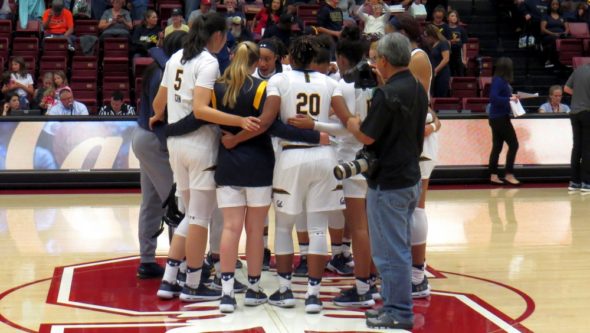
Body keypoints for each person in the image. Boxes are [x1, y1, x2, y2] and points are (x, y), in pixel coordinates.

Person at [222, 35, 352, 314]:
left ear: (289, 59)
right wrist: (317, 127)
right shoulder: (331, 84)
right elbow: (347, 126)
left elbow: (266, 123)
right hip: (324, 158)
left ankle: (284, 290)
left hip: (291, 157)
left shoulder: (279, 82)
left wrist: (235, 139)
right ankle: (314, 295)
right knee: (317, 227)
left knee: (283, 226)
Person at [150, 12, 259, 302]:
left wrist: (159, 118)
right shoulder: (208, 62)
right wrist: (239, 121)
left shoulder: (174, 58)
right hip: (200, 147)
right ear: (219, 36)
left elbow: (158, 103)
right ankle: (194, 283)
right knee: (200, 216)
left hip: (176, 147)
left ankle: (170, 278)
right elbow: (200, 110)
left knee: (190, 213)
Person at [346, 32, 428, 330]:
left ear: (383, 59)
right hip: (409, 178)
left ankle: (398, 312)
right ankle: (394, 307)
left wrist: (353, 123)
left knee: (389, 253)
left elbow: (367, 134)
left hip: (389, 183)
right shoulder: (417, 88)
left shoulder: (387, 94)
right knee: (399, 249)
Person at [387, 13, 441, 299]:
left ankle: (418, 276)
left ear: (402, 32)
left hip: (418, 136)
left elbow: (418, 103)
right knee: (406, 209)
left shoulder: (417, 57)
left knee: (417, 207)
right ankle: (409, 267)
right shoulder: (403, 56)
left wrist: (430, 123)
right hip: (411, 135)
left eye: (387, 32)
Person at [132, 31, 187, 280]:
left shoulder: (156, 68)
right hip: (155, 141)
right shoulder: (162, 74)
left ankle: (147, 261)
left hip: (143, 138)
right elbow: (161, 116)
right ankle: (182, 264)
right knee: (175, 203)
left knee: (152, 202)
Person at [329, 26, 376, 306]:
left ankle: (361, 288)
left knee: (358, 227)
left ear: (342, 60)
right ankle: (373, 279)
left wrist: (313, 124)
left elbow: (346, 128)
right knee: (374, 225)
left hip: (353, 159)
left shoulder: (340, 87)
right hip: (378, 159)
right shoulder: (378, 81)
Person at [488, 57, 520, 186]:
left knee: (497, 146)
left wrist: (510, 98)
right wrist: (510, 99)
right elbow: (494, 98)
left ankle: (494, 175)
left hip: (496, 117)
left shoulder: (499, 80)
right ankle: (509, 174)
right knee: (514, 144)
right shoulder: (499, 81)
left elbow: (498, 97)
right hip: (500, 117)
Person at [564, 63, 590, 192]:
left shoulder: (578, 70)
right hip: (587, 112)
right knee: (587, 148)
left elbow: (566, 89)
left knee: (576, 147)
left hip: (574, 113)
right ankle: (586, 182)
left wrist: (579, 94)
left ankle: (574, 182)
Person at [423, 24, 450, 98]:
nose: (426, 39)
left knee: (440, 95)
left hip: (442, 73)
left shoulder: (443, 43)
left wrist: (435, 70)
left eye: (427, 36)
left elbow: (446, 59)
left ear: (432, 35)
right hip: (434, 74)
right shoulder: (432, 45)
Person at [541, 0, 569, 68]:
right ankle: (549, 61)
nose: (555, 6)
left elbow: (567, 28)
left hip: (560, 35)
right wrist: (553, 34)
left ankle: (567, 61)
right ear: (550, 6)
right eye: (553, 4)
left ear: (559, 6)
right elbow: (542, 29)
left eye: (556, 4)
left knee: (569, 38)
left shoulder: (562, 16)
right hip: (548, 36)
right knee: (555, 39)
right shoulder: (546, 16)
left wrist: (565, 33)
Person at [447, 10, 467, 76]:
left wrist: (464, 58)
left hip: (458, 55)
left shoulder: (461, 29)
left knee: (460, 74)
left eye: (455, 16)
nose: (454, 17)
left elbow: (464, 45)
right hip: (448, 55)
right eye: (452, 16)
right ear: (448, 18)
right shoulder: (445, 29)